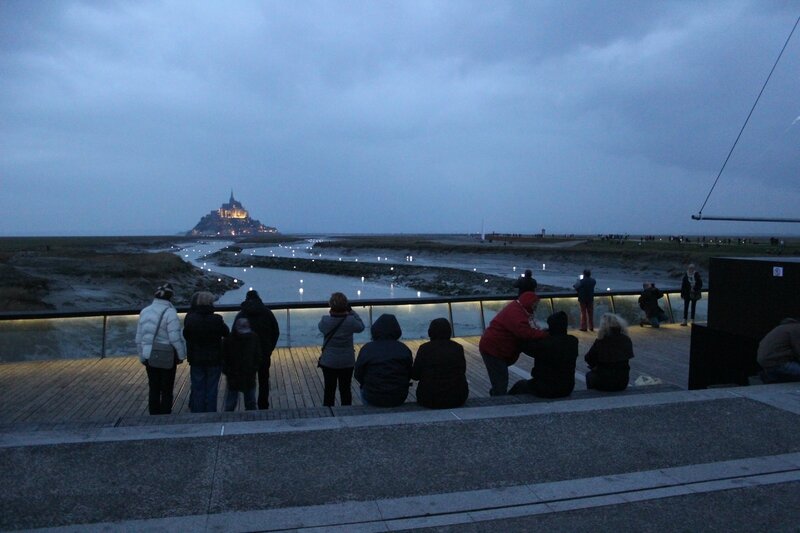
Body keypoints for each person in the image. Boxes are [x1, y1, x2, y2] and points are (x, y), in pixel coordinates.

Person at [478, 291, 548, 395]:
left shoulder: (519, 309)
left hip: (495, 346)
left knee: (500, 378)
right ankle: (498, 403)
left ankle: (497, 398)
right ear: (528, 303)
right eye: (535, 304)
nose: (536, 307)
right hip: (493, 348)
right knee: (500, 381)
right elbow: (524, 332)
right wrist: (544, 334)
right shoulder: (516, 313)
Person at [135, 283, 187, 415]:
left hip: (149, 354)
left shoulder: (145, 311)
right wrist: (181, 356)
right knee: (167, 389)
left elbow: (139, 337)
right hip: (166, 356)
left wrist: (142, 355)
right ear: (170, 297)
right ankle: (165, 415)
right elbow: (175, 337)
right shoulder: (170, 313)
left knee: (153, 388)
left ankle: (154, 414)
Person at [509, 311, 578, 398]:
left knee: (519, 385)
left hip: (544, 387)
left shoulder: (545, 343)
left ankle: (502, 402)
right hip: (567, 387)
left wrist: (538, 334)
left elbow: (525, 347)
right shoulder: (573, 341)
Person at [183, 291, 229, 413]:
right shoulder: (217, 319)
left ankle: (197, 413)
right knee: (212, 389)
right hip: (214, 358)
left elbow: (186, 335)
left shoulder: (191, 319)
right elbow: (226, 332)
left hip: (196, 358)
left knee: (198, 388)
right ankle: (210, 413)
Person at [354, 314, 413, 407]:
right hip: (398, 396)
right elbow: (409, 372)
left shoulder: (367, 349)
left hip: (373, 396)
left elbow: (358, 373)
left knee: (363, 389)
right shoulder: (403, 349)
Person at [234, 290, 279, 409]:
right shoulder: (267, 313)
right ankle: (263, 404)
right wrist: (270, 348)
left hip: (246, 353)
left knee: (249, 379)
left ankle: (250, 405)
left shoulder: (241, 314)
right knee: (264, 379)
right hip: (264, 352)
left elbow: (234, 333)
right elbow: (276, 332)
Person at [318, 292, 365, 406]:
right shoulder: (351, 321)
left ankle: (328, 413)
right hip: (346, 361)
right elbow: (361, 326)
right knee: (345, 389)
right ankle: (346, 412)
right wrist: (351, 311)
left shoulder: (325, 321)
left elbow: (321, 328)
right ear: (346, 305)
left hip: (329, 360)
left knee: (329, 390)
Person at [412, 318, 469, 409]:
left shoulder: (424, 349)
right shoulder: (457, 348)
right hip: (456, 397)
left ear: (430, 332)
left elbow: (415, 375)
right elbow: (462, 370)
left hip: (429, 398)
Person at [584, 313, 635, 391]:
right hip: (622, 382)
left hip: (604, 382)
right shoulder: (626, 339)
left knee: (589, 375)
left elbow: (588, 358)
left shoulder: (601, 341)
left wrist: (595, 366)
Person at [222, 317, 262, 411]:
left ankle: (227, 420)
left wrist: (227, 370)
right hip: (248, 374)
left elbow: (223, 357)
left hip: (233, 375)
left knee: (230, 403)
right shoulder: (253, 337)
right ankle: (252, 420)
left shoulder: (228, 339)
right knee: (250, 402)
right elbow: (258, 355)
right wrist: (254, 368)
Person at [757, 318, 800, 383]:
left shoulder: (781, 328)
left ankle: (770, 376)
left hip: (765, 361)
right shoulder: (797, 329)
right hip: (778, 362)